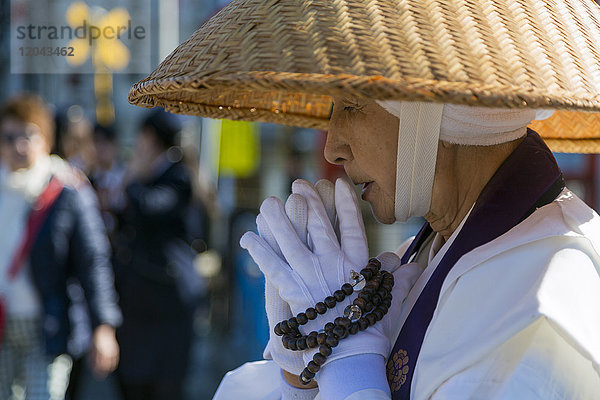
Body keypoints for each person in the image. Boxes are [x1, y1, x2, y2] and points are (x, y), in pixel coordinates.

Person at [127, 1, 600, 398]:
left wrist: (351, 369)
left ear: (436, 111)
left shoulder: (544, 298)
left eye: (351, 105)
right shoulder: (445, 250)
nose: (332, 146)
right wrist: (303, 375)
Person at [0, 94, 122, 399]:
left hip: (48, 328)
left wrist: (103, 326)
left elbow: (93, 260)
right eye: (9, 136)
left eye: (28, 134)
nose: (18, 145)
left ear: (46, 139)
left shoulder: (67, 190)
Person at [114, 109, 205, 400]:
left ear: (151, 138)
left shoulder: (178, 175)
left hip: (168, 297)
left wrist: (134, 182)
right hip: (141, 301)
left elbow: (151, 209)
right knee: (134, 380)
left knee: (165, 385)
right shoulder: (153, 174)